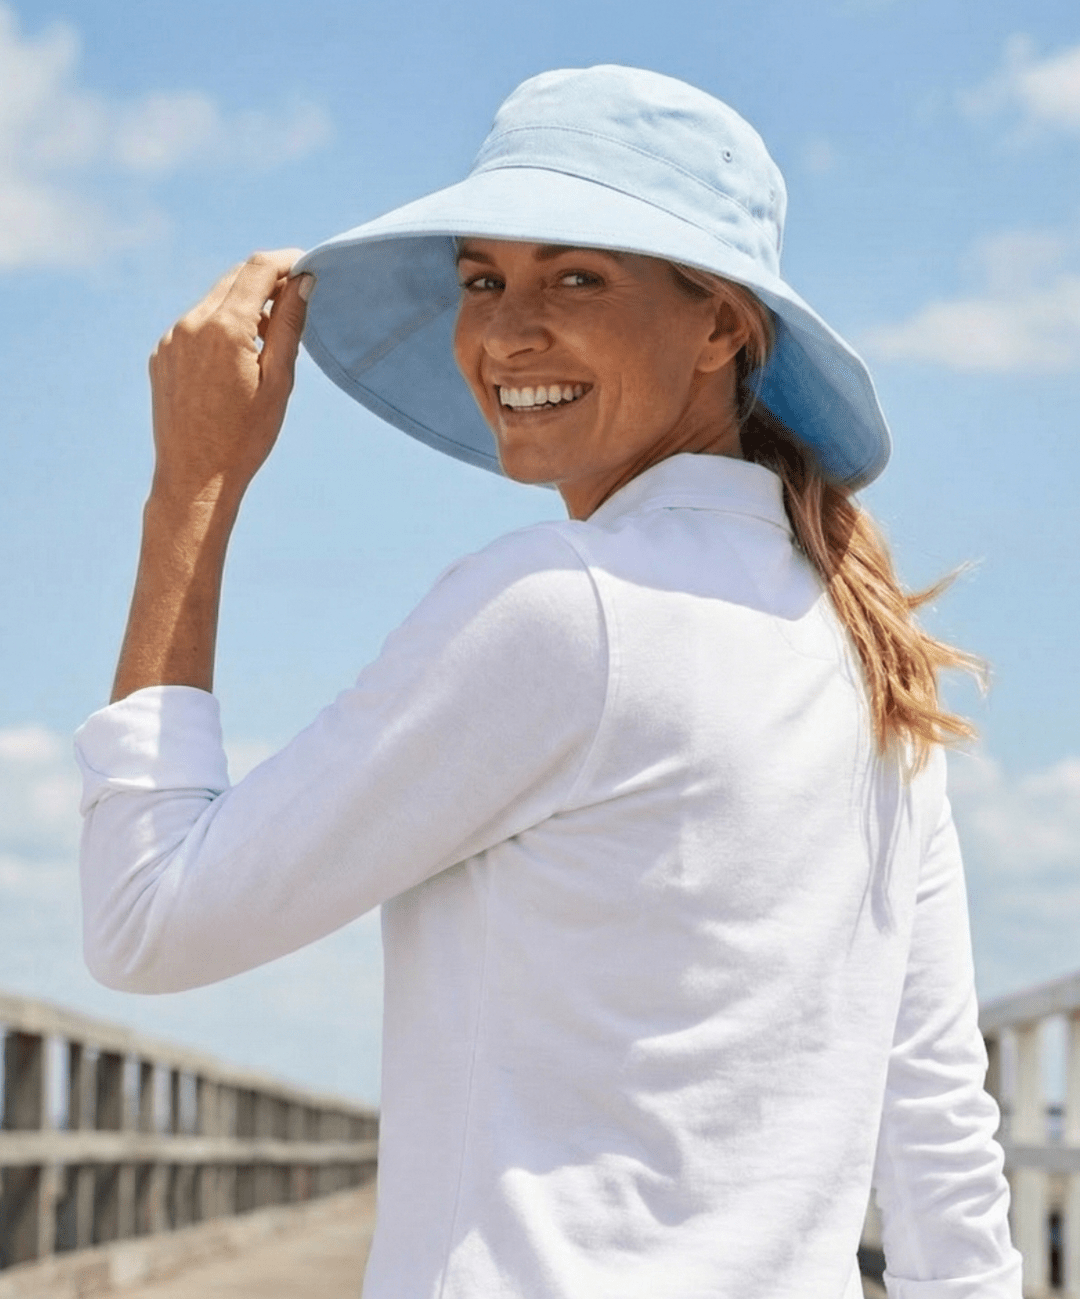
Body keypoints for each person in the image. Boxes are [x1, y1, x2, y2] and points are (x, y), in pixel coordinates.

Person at [77, 66, 1022, 1298]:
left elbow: (145, 922)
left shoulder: (564, 608)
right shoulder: (867, 653)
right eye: (483, 280)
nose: (506, 331)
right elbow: (938, 1126)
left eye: (577, 278)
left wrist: (193, 484)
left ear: (720, 327)